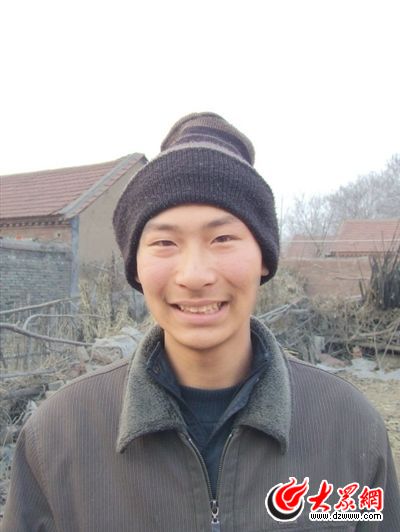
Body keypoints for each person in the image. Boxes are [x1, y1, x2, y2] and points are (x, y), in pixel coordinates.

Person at [2, 113, 399, 531]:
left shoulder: (349, 428)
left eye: (223, 239)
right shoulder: (59, 435)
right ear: (135, 267)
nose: (194, 275)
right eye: (164, 242)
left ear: (264, 257)